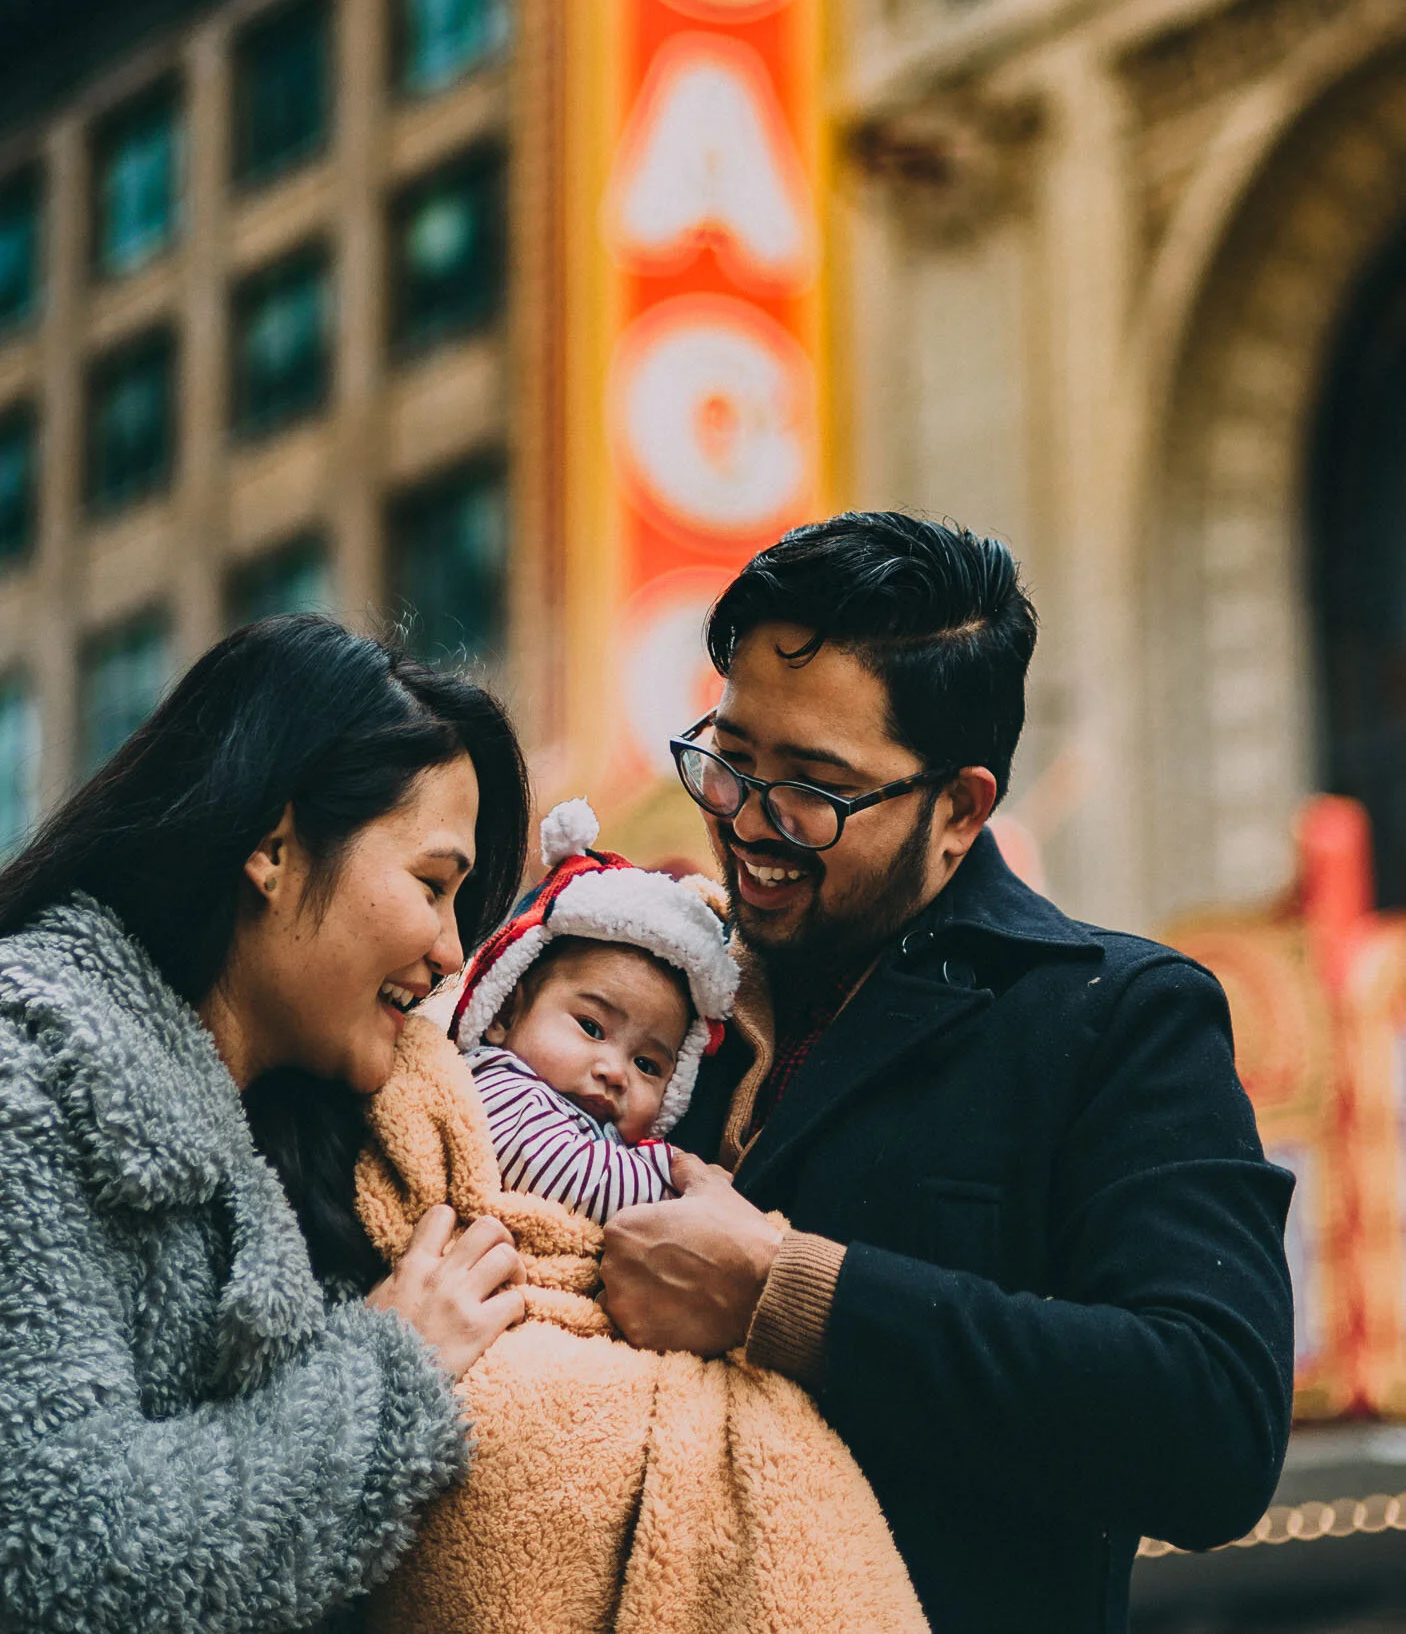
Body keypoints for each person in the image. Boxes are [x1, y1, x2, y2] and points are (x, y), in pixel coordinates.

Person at [599, 512, 1296, 1634]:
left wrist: (790, 1291)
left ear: (960, 808)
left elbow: (1212, 1417)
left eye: (813, 789)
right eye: (729, 760)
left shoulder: (1115, 1017)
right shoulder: (655, 983)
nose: (747, 823)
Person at [0, 614, 534, 1634]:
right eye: (433, 884)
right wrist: (391, 1373)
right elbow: (67, 1550)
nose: (453, 949)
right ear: (274, 847)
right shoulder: (29, 1076)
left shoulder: (316, 1134)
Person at [452, 794, 740, 1221]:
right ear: (503, 1014)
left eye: (647, 1064)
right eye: (591, 1026)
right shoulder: (496, 1087)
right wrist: (679, 1181)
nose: (615, 1072)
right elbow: (570, 1178)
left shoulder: (604, 1136)